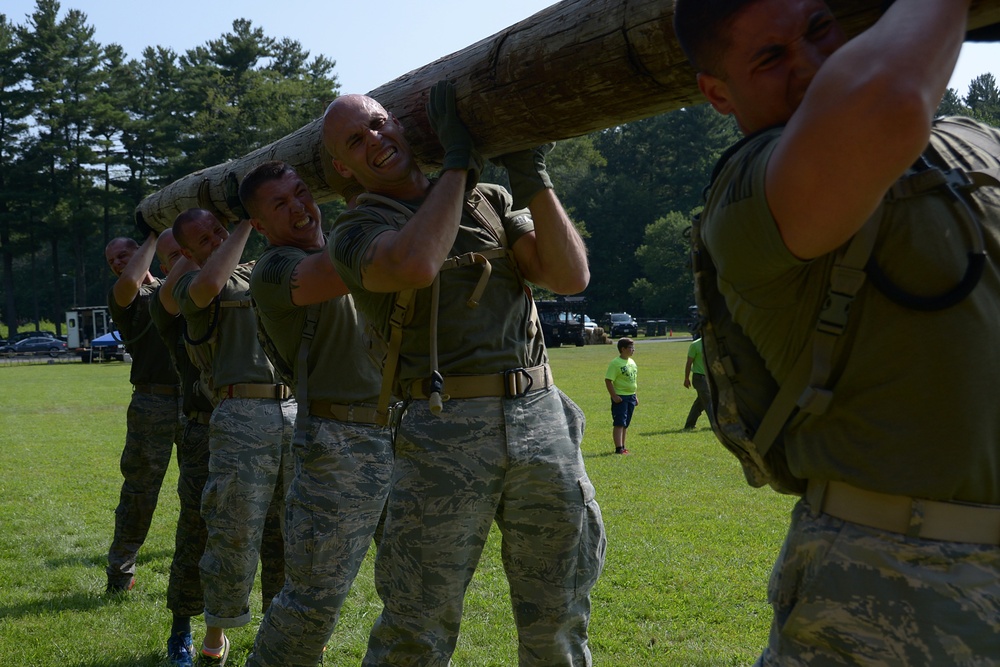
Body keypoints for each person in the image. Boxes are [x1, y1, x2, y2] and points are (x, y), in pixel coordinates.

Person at [674, 0, 1000, 663]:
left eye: (821, 29)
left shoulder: (969, 137)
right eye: (771, 58)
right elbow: (887, 102)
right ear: (717, 93)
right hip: (890, 587)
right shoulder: (747, 196)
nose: (814, 65)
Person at [323, 82, 606, 666]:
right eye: (356, 140)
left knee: (559, 615)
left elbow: (569, 275)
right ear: (341, 166)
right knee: (416, 624)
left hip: (540, 417)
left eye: (378, 123)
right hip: (441, 429)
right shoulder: (353, 232)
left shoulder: (492, 200)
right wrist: (456, 162)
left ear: (399, 123)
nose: (375, 139)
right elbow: (417, 263)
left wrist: (532, 173)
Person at [239, 161, 394, 667]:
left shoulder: (349, 248)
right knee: (312, 604)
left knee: (419, 592)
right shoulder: (274, 270)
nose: (298, 208)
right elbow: (349, 266)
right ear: (259, 227)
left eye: (302, 193)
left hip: (405, 433)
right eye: (279, 205)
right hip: (338, 446)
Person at [172, 209, 295, 666]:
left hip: (294, 407)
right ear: (186, 253)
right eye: (204, 240)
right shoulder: (190, 285)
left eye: (218, 230)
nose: (217, 240)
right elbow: (207, 287)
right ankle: (216, 635)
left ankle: (283, 631)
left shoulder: (261, 270)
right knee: (232, 532)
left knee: (292, 531)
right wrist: (246, 223)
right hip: (242, 411)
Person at [148, 229, 213, 667]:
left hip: (267, 426)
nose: (188, 258)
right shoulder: (168, 304)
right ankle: (181, 630)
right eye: (176, 254)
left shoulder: (242, 283)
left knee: (275, 534)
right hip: (203, 430)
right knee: (195, 534)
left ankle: (277, 629)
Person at [103, 234, 182, 594]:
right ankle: (120, 573)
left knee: (203, 490)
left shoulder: (174, 285)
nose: (119, 263)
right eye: (112, 261)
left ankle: (195, 569)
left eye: (124, 255)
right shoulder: (124, 297)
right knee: (139, 492)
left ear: (141, 253)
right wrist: (152, 233)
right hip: (153, 402)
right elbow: (131, 281)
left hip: (198, 400)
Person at [604, 337, 638, 454]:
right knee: (619, 423)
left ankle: (623, 446)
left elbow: (632, 380)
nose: (633, 350)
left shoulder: (632, 362)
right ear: (623, 349)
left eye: (633, 347)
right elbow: (608, 380)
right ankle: (618, 448)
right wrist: (614, 396)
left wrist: (635, 395)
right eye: (630, 348)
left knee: (625, 424)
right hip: (621, 397)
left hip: (631, 396)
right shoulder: (615, 363)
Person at [682, 337, 712, 431]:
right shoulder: (695, 345)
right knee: (709, 401)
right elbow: (689, 363)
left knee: (700, 403)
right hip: (700, 378)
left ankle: (689, 424)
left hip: (710, 378)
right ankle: (717, 425)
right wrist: (686, 378)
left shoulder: (713, 343)